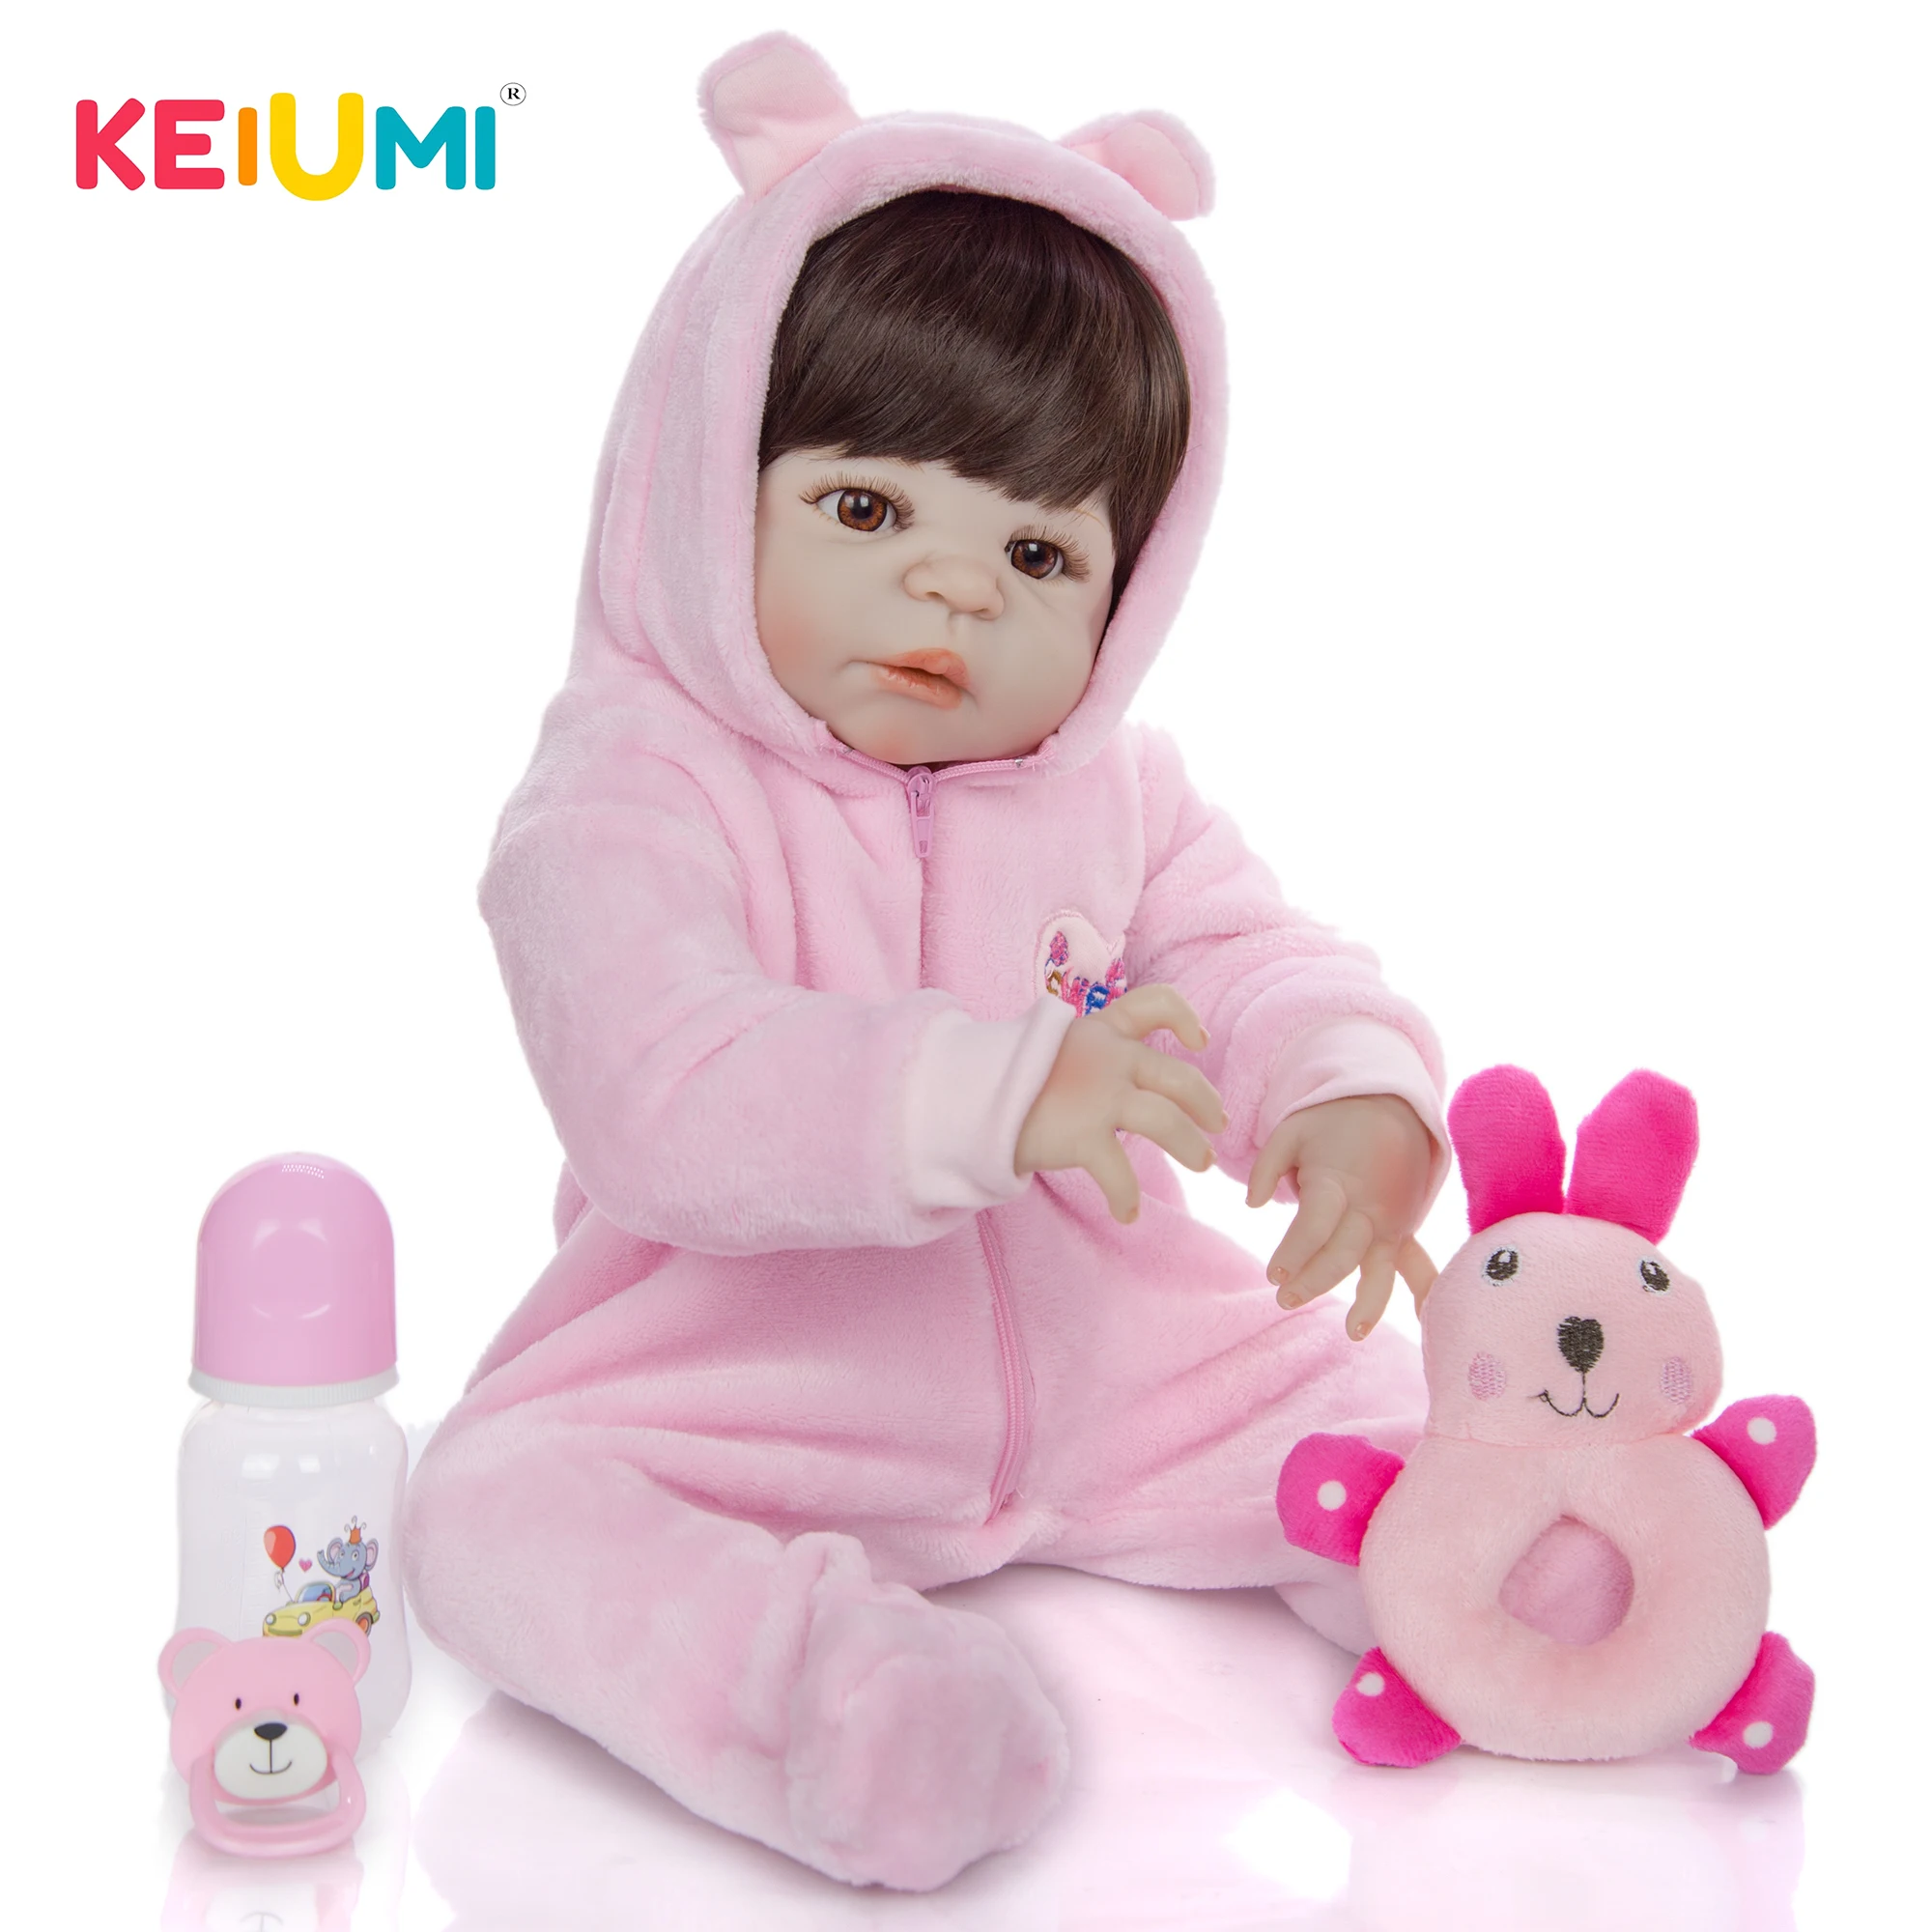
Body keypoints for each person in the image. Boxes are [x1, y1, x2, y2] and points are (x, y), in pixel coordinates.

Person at [405, 36, 1445, 1892]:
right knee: (487, 1507)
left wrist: (1346, 1089)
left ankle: (1520, 1584)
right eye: (871, 510)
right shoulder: (625, 793)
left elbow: (1244, 948)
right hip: (743, 1378)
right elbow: (662, 1087)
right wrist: (998, 1091)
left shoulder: (1112, 788)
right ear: (705, 490)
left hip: (1134, 1362)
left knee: (1389, 1416)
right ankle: (832, 1702)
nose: (960, 590)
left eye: (1040, 551)